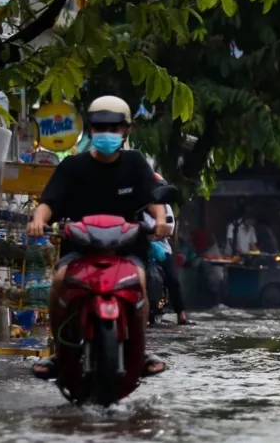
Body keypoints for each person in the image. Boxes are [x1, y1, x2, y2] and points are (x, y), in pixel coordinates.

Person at [27, 96, 172, 378]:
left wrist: (161, 219)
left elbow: (153, 196)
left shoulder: (135, 162)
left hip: (127, 250)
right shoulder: (72, 166)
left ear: (126, 131)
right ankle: (59, 351)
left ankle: (139, 350)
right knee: (58, 282)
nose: (107, 133)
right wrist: (37, 220)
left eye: (115, 128)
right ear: (90, 130)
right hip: (79, 250)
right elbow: (49, 202)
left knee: (140, 284)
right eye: (100, 127)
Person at [143, 173, 195, 325]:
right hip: (139, 246)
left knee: (172, 279)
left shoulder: (165, 207)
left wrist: (154, 236)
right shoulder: (138, 205)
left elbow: (169, 228)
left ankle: (181, 314)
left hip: (161, 249)